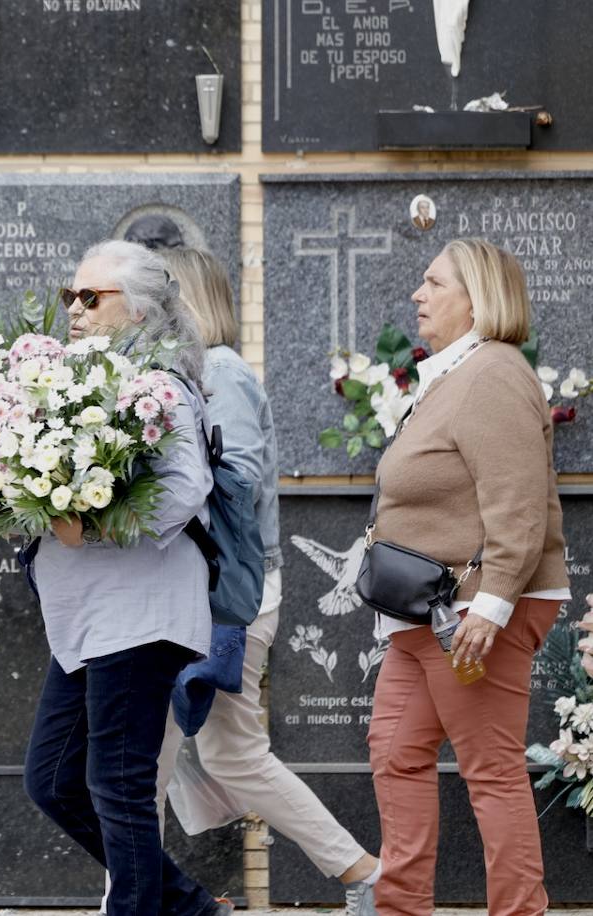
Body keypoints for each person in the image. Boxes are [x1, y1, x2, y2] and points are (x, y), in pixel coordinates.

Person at [151, 249, 381, 915]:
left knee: (152, 763)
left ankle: (137, 902)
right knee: (220, 756)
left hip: (225, 597)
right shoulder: (194, 375)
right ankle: (361, 871)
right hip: (210, 595)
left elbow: (236, 481)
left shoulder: (220, 371)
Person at [22, 239, 229, 916]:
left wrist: (94, 525)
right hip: (87, 619)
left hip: (140, 615)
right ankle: (190, 908)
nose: (74, 310)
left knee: (118, 786)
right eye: (69, 297)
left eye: (92, 297)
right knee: (52, 780)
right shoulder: (83, 384)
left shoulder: (158, 385)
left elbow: (184, 487)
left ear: (138, 311)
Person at [367, 239, 569, 916]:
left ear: (476, 298)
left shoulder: (493, 374)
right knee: (395, 752)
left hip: (471, 614)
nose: (418, 295)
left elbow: (516, 503)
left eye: (433, 283)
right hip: (423, 611)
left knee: (490, 771)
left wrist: (492, 605)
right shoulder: (452, 376)